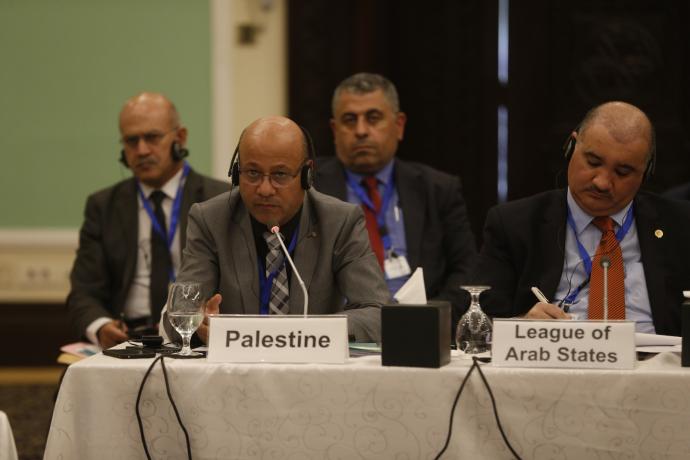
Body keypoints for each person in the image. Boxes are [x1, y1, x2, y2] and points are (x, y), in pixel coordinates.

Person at [475, 101, 690, 335]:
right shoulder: (514, 224)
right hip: (553, 354)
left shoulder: (681, 225)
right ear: (571, 147)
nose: (602, 182)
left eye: (622, 172)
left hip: (657, 356)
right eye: (593, 162)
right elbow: (479, 326)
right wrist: (522, 325)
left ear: (645, 172)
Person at [173, 116, 390, 344]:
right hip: (234, 362)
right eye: (253, 173)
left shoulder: (340, 221)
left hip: (313, 361)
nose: (265, 189)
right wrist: (200, 325)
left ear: (307, 175)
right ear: (237, 173)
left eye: (280, 175)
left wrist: (301, 334)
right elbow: (179, 312)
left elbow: (378, 313)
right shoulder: (210, 219)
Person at [313, 72, 477, 335]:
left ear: (399, 125)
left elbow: (466, 271)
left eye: (373, 118)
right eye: (350, 120)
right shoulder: (311, 188)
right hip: (340, 331)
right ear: (334, 130)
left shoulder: (437, 189)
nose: (361, 131)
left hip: (422, 330)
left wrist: (429, 319)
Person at [67, 92, 228, 348]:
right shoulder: (104, 206)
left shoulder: (220, 200)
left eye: (152, 137)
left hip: (195, 337)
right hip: (127, 338)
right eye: (131, 141)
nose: (141, 150)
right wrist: (101, 327)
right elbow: (84, 291)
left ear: (180, 137)